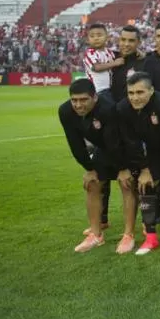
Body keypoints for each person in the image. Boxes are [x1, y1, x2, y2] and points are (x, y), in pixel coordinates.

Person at [113, 71, 160, 255]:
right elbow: (129, 141)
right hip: (137, 151)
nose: (135, 97)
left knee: (152, 182)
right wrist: (143, 168)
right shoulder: (122, 108)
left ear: (152, 90)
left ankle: (152, 223)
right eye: (131, 93)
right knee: (134, 183)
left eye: (140, 92)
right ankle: (135, 232)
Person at [58, 78, 121, 253]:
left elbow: (115, 144)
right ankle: (96, 234)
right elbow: (75, 143)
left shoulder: (108, 109)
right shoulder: (65, 111)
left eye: (83, 100)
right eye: (74, 100)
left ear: (95, 97)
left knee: (128, 183)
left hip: (124, 148)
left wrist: (123, 169)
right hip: (102, 148)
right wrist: (90, 169)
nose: (78, 105)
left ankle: (135, 232)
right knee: (92, 184)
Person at [108, 24, 145, 103]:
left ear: (139, 43)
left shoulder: (144, 62)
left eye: (131, 41)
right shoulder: (109, 58)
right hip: (109, 111)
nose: (126, 44)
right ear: (119, 40)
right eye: (123, 40)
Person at [82, 23, 117, 96]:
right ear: (88, 40)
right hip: (97, 91)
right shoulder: (90, 53)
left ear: (107, 37)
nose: (96, 38)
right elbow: (96, 67)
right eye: (92, 36)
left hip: (111, 90)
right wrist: (115, 63)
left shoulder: (110, 52)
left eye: (99, 35)